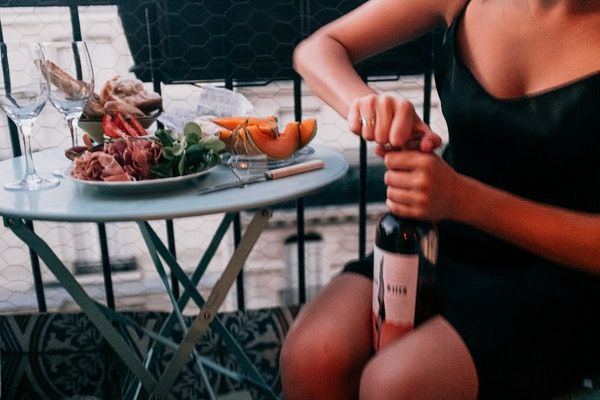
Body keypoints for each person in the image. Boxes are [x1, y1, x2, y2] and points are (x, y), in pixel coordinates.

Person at [279, 0, 600, 399]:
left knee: (394, 385)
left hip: (568, 276)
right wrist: (366, 106)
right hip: (442, 243)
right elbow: (317, 48)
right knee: (312, 354)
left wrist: (467, 201)